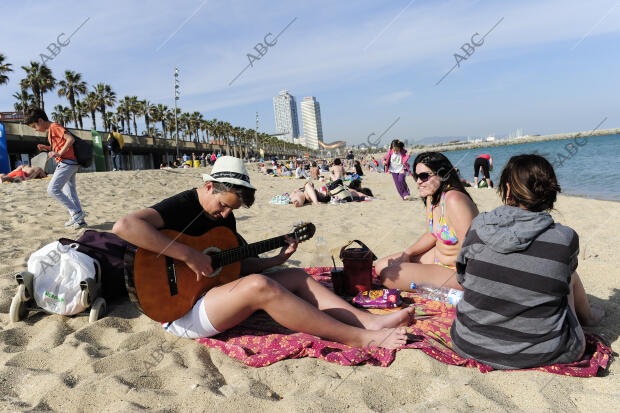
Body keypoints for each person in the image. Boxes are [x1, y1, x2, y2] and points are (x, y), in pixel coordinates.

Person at [113, 156, 410, 348]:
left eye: (232, 208)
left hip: (213, 294)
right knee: (261, 286)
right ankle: (359, 338)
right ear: (209, 186)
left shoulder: (224, 217)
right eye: (223, 204)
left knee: (295, 275)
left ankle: (368, 321)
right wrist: (188, 255)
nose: (226, 213)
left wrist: (277, 259)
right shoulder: (183, 205)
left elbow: (234, 267)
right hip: (179, 309)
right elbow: (125, 226)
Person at [450, 154, 604, 369]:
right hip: (540, 353)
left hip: (468, 342)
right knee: (567, 277)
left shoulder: (479, 226)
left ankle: (585, 315)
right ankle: (588, 316)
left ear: (508, 189)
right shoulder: (564, 238)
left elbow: (462, 278)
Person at [375, 152, 479, 291]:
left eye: (424, 176)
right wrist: (408, 254)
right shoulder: (432, 197)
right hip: (438, 258)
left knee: (388, 275)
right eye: (416, 176)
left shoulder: (454, 199)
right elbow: (432, 234)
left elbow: (472, 249)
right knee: (380, 266)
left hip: (458, 271)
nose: (418, 181)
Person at [25, 107, 87, 229]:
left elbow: (70, 139)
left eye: (34, 126)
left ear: (40, 120)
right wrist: (48, 148)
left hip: (66, 162)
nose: (35, 130)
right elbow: (61, 144)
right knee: (69, 192)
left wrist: (59, 153)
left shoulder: (54, 127)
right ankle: (80, 221)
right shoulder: (51, 130)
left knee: (52, 190)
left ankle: (77, 213)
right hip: (70, 162)